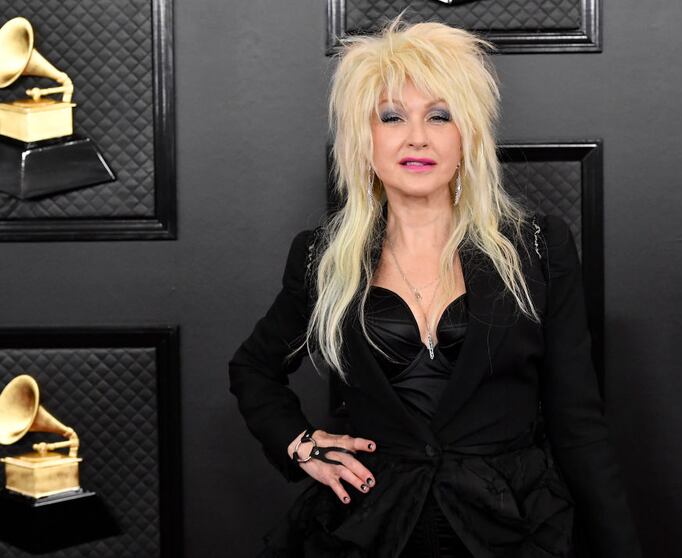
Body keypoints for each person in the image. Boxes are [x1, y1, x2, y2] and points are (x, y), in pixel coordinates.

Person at [229, 16, 642, 558]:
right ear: (364, 140)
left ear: (466, 135)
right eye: (392, 116)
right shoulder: (323, 258)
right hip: (371, 529)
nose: (417, 136)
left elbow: (578, 424)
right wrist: (299, 444)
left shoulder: (538, 249)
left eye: (439, 116)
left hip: (511, 529)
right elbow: (253, 368)